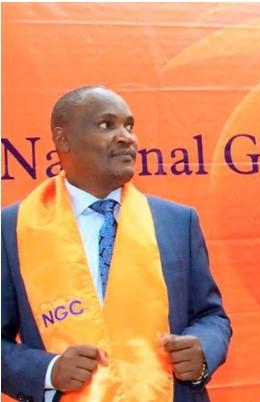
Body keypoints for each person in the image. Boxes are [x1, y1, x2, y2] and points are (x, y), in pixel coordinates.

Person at [1, 86, 232, 402]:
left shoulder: (178, 221)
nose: (127, 137)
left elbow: (212, 317)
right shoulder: (12, 228)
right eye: (107, 125)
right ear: (63, 139)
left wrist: (202, 350)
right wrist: (48, 371)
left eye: (129, 126)